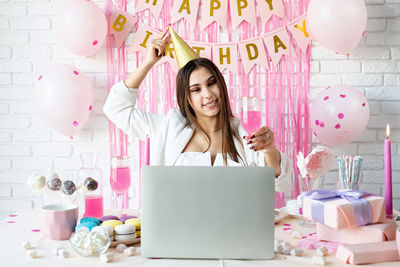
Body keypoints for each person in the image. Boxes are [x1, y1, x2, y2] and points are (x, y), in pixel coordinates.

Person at [103, 27, 293, 192]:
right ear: (187, 98)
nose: (208, 94)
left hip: (232, 229)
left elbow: (283, 184)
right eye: (196, 89)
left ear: (221, 85)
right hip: (177, 228)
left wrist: (268, 149)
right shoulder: (169, 126)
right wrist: (148, 63)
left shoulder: (243, 135)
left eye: (211, 83)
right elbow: (115, 108)